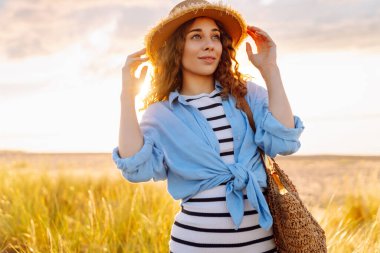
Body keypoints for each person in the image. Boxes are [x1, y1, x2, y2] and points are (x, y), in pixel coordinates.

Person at [112, 0, 304, 252]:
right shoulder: (160, 114)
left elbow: (285, 142)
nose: (209, 45)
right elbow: (136, 169)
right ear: (175, 47)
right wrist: (127, 96)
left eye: (215, 36)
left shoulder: (246, 95)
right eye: (196, 36)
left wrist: (270, 69)